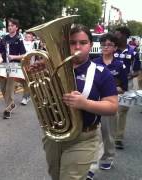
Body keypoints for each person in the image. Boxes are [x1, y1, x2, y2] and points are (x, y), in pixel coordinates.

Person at [34, 24, 118, 180]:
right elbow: (43, 100)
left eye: (83, 42)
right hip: (54, 136)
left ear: (91, 45)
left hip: (83, 138)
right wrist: (38, 75)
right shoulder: (52, 68)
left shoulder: (101, 73)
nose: (77, 47)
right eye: (72, 43)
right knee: (56, 176)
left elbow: (112, 107)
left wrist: (84, 103)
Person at [90, 33, 128, 174]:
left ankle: (108, 158)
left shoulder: (119, 65)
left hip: (109, 104)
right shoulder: (93, 62)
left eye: (109, 45)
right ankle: (91, 165)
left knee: (108, 134)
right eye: (103, 44)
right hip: (94, 103)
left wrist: (107, 89)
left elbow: (123, 87)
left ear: (115, 47)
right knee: (94, 134)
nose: (105, 47)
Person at [113, 26, 141, 149]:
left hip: (126, 86)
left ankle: (118, 138)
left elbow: (137, 71)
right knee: (109, 110)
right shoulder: (112, 50)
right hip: (110, 84)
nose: (115, 37)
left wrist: (126, 77)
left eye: (117, 34)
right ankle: (108, 133)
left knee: (122, 111)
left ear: (124, 35)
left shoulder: (133, 52)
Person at [0, 18, 26, 119]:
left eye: (12, 25)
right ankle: (11, 104)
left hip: (14, 65)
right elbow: (0, 51)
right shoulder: (4, 38)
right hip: (3, 64)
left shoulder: (19, 39)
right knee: (2, 87)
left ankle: (8, 109)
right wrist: (0, 58)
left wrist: (14, 57)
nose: (9, 27)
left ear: (16, 28)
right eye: (9, 25)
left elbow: (23, 55)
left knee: (9, 88)